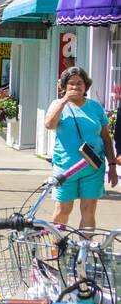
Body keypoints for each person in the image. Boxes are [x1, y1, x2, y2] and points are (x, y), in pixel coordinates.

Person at [45, 66, 117, 229]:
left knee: (88, 210)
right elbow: (49, 124)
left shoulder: (95, 107)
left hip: (92, 167)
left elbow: (106, 138)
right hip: (65, 168)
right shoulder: (58, 105)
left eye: (79, 83)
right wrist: (64, 101)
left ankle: (85, 251)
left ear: (86, 86)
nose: (76, 87)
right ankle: (58, 251)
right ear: (64, 86)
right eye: (71, 84)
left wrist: (112, 166)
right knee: (62, 210)